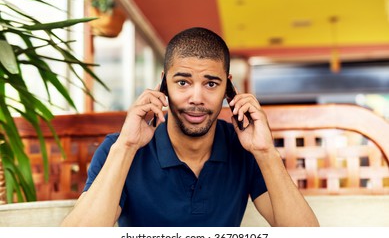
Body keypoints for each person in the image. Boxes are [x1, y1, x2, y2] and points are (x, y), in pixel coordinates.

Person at [61, 27, 319, 227]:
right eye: (183, 83)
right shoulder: (119, 149)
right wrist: (127, 147)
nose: (196, 98)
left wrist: (266, 152)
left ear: (228, 89)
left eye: (211, 84)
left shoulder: (246, 150)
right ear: (163, 84)